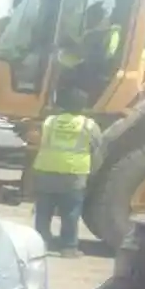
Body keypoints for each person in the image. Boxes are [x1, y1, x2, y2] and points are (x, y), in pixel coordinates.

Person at [32, 89, 104, 256]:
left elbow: (40, 141)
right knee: (70, 212)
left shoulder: (50, 121)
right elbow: (97, 147)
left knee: (43, 211)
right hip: (73, 174)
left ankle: (40, 244)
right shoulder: (89, 125)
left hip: (46, 170)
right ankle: (69, 248)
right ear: (83, 107)